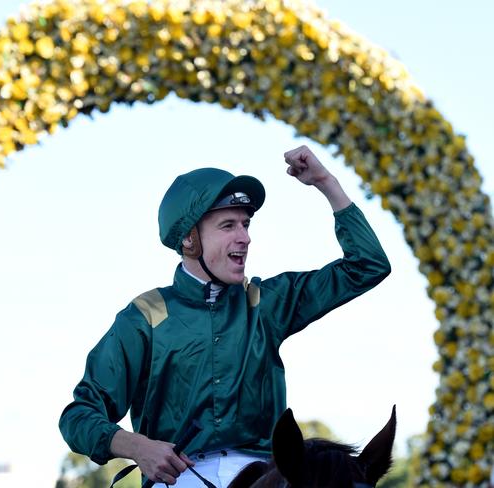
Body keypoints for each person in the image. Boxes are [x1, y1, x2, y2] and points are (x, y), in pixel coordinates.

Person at [59, 145, 391, 487]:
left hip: (266, 473)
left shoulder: (266, 302)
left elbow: (368, 266)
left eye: (246, 225)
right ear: (189, 239)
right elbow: (79, 416)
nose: (245, 238)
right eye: (228, 226)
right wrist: (138, 446)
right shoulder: (145, 316)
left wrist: (326, 182)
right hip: (179, 479)